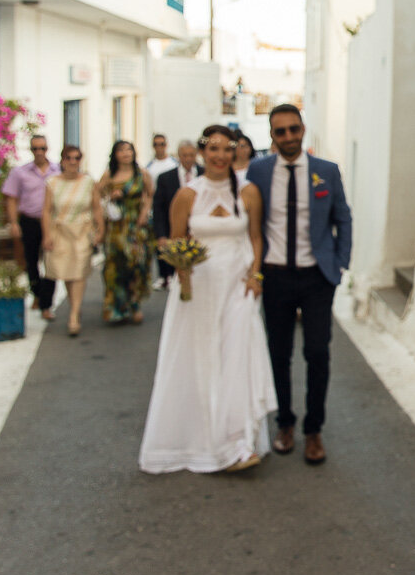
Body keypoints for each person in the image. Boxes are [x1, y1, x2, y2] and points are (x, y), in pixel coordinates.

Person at [139, 125, 275, 474]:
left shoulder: (248, 193)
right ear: (202, 153)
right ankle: (200, 440)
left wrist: (255, 275)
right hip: (197, 289)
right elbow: (172, 240)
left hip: (237, 288)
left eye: (226, 149)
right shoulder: (187, 195)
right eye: (212, 149)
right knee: (200, 360)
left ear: (235, 153)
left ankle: (238, 443)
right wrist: (180, 267)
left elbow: (257, 238)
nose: (220, 156)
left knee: (236, 358)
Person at [245, 105, 352, 465]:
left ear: (303, 129)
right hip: (275, 275)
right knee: (279, 354)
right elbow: (250, 222)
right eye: (280, 131)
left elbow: (343, 218)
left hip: (316, 277)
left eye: (294, 129)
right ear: (272, 135)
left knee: (318, 353)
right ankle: (285, 423)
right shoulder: (258, 172)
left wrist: (339, 265)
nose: (288, 137)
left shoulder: (326, 172)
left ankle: (314, 429)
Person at [41, 145, 103, 336]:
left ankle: (74, 314)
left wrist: (100, 230)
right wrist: (47, 235)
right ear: (62, 160)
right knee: (66, 272)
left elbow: (97, 207)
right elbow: (46, 210)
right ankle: (74, 304)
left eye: (76, 158)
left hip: (83, 231)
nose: (73, 162)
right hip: (60, 231)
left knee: (79, 272)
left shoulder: (88, 182)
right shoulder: (52, 183)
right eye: (69, 158)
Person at [97, 139, 154, 325]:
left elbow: (149, 195)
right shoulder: (109, 175)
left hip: (135, 226)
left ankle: (135, 303)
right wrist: (109, 197)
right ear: (115, 155)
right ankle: (116, 307)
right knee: (115, 267)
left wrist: (144, 215)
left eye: (129, 150)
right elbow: (98, 196)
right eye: (121, 150)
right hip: (115, 226)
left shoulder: (142, 174)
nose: (126, 153)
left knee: (137, 264)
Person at [1, 134, 57, 321]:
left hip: (52, 223)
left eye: (42, 148)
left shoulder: (57, 170)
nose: (39, 152)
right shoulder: (20, 172)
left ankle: (46, 303)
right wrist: (14, 223)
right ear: (31, 150)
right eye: (35, 149)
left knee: (51, 262)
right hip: (30, 220)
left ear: (47, 148)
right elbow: (11, 198)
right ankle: (37, 293)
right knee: (31, 261)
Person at [152, 139, 202, 290]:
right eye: (184, 155)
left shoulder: (204, 174)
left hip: (198, 232)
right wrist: (161, 235)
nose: (188, 159)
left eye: (191, 155)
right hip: (174, 231)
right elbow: (159, 209)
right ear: (178, 156)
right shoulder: (165, 178)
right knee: (178, 275)